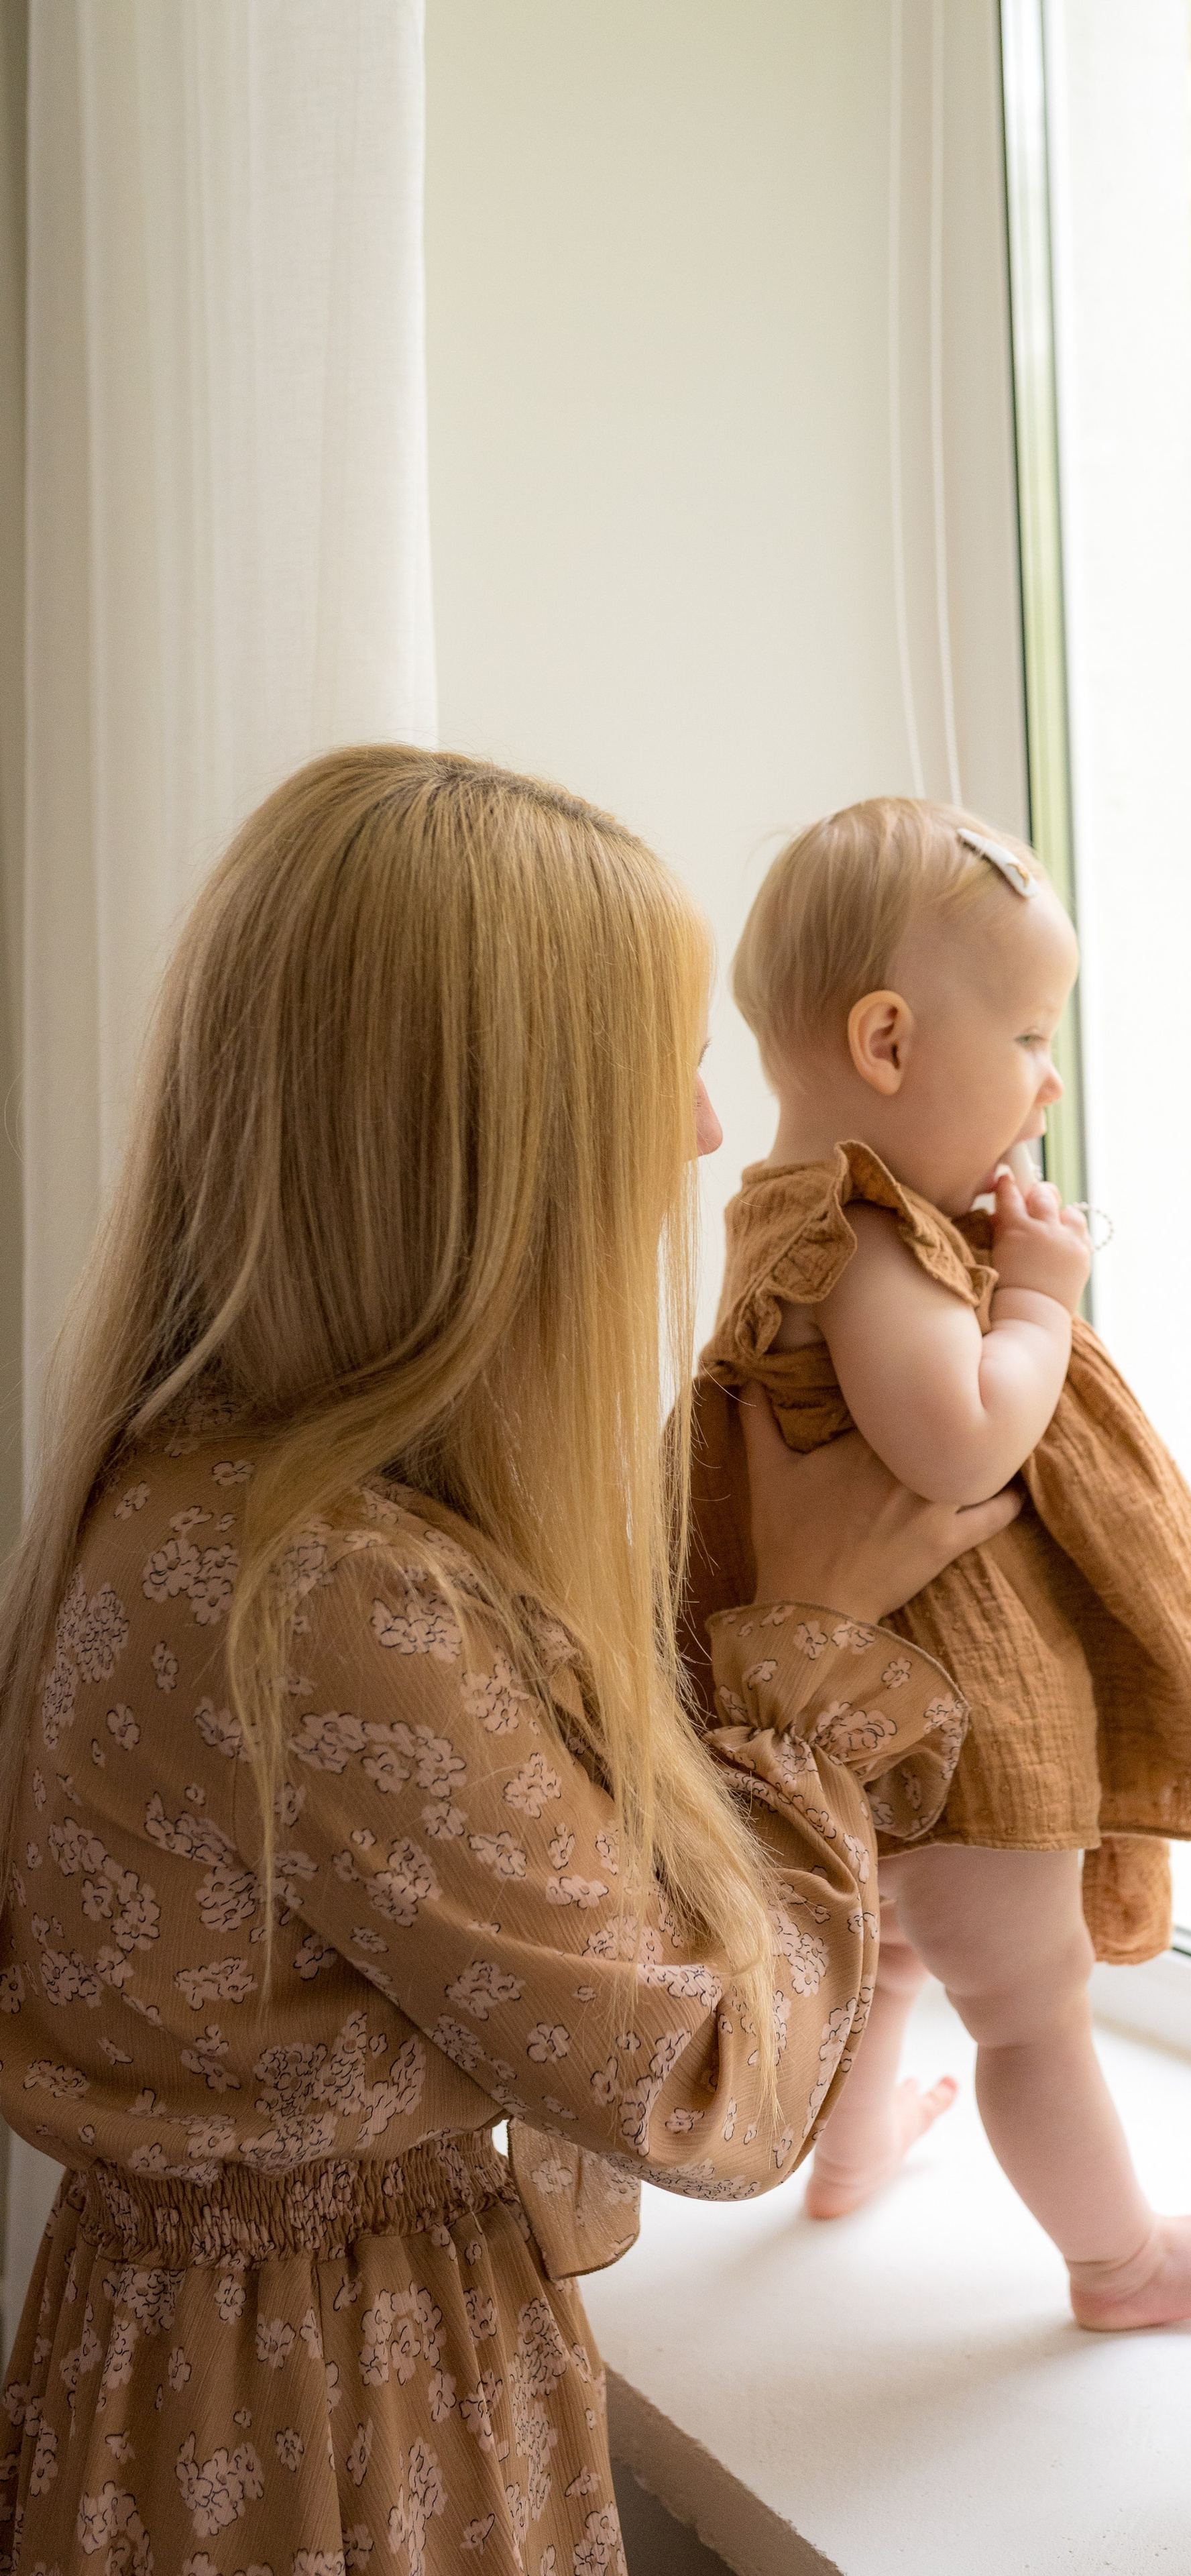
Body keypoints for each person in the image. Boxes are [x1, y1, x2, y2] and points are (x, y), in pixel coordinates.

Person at [0, 749, 1020, 2573]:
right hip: (337, 2433)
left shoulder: (218, 1500)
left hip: (212, 2376)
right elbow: (711, 2083)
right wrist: (798, 1662)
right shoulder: (316, 1600)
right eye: (663, 1067)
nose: (708, 1131)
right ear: (492, 1132)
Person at [683, 797, 1191, 2329]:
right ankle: (1120, 2261)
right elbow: (964, 1441)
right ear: (885, 1044)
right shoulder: (867, 1236)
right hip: (955, 1721)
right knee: (1029, 2016)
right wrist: (1034, 1300)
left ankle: (845, 2154)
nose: (1042, 1091)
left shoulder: (788, 1214)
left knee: (890, 1956)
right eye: (1029, 1040)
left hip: (876, 1719)